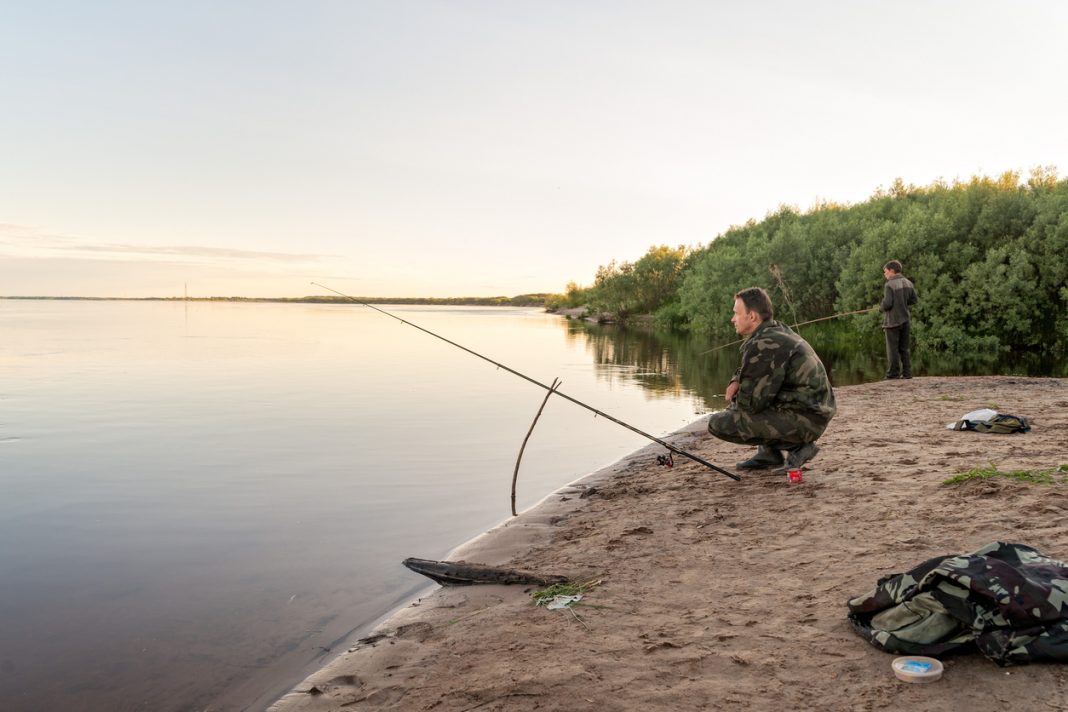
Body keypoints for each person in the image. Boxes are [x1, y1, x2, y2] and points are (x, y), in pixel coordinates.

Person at [707, 287, 836, 472]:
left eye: (736, 313)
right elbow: (759, 374)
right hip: (815, 413)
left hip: (807, 420)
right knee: (762, 396)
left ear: (752, 317)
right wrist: (737, 380)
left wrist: (735, 399)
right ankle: (768, 454)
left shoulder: (763, 344)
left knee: (719, 423)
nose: (732, 319)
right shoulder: (776, 330)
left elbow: (750, 405)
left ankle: (798, 447)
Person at [881, 260, 918, 380]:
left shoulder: (889, 285)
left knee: (892, 349)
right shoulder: (908, 283)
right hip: (905, 320)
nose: (885, 274)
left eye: (885, 271)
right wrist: (902, 303)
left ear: (892, 271)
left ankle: (893, 374)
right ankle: (907, 373)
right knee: (904, 348)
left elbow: (887, 304)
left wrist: (881, 308)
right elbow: (913, 300)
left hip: (892, 321)